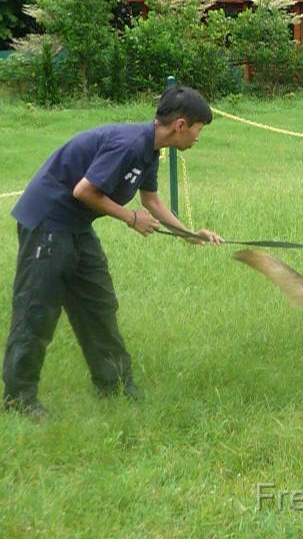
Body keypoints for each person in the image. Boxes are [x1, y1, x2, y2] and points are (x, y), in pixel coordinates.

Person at [2, 85, 224, 419]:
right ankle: (18, 398)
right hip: (48, 222)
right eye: (198, 129)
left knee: (99, 303)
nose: (198, 137)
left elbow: (151, 201)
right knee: (37, 308)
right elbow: (84, 191)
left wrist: (189, 234)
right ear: (180, 125)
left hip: (76, 227)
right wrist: (131, 219)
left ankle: (115, 386)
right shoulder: (129, 144)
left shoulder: (151, 150)